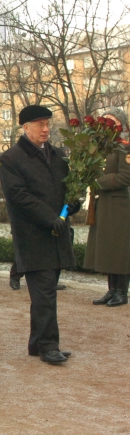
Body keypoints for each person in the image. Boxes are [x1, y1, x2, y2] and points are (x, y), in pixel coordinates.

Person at [0, 105, 78, 364]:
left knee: (44, 292)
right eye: (40, 125)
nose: (46, 129)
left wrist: (73, 203)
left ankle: (36, 343)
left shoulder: (56, 155)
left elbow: (66, 189)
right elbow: (18, 197)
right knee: (45, 292)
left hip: (56, 233)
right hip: (33, 235)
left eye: (47, 124)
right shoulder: (11, 158)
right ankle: (48, 345)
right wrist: (49, 218)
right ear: (25, 128)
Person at [85, 107, 130, 307]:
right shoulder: (102, 147)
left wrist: (98, 181)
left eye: (111, 122)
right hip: (103, 204)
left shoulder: (125, 147)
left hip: (119, 205)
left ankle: (122, 292)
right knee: (108, 249)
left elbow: (125, 177)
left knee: (119, 250)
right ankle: (112, 290)